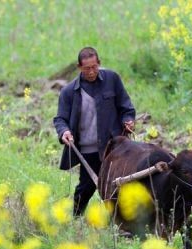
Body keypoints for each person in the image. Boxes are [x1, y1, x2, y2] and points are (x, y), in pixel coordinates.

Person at [53, 47, 136, 216]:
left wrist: (128, 120)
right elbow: (60, 119)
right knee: (87, 186)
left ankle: (123, 224)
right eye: (86, 69)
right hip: (88, 149)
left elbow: (125, 107)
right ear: (79, 67)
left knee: (119, 185)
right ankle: (75, 218)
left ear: (99, 63)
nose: (91, 72)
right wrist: (64, 132)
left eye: (94, 67)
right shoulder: (69, 92)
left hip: (113, 147)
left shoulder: (112, 79)